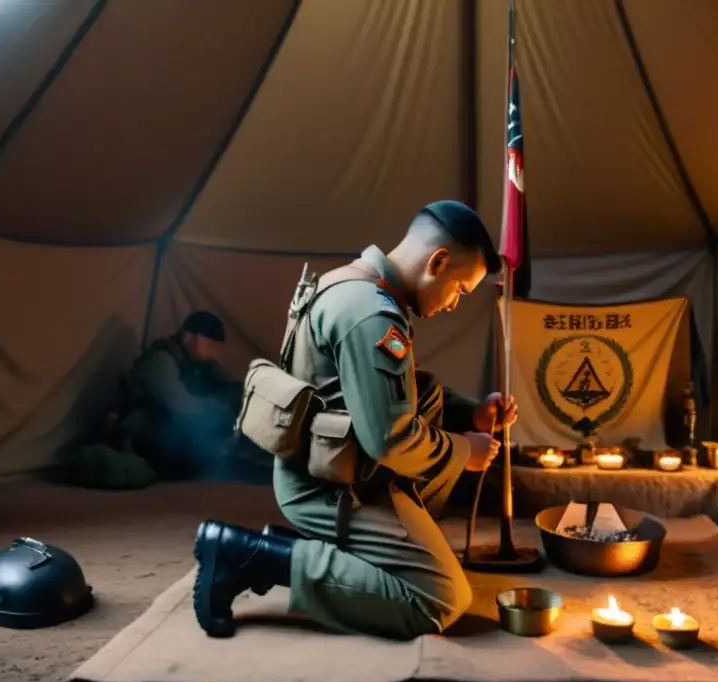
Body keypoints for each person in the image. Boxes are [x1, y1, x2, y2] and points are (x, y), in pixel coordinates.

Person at [192, 201, 517, 640]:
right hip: (329, 487)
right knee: (438, 600)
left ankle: (293, 548)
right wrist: (466, 451)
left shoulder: (353, 283)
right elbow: (390, 439)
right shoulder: (372, 312)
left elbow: (386, 388)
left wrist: (469, 412)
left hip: (333, 465)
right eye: (460, 289)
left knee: (433, 567)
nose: (455, 304)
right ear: (438, 262)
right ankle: (252, 556)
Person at [119, 311, 244, 480]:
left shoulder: (200, 363)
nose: (212, 352)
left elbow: (233, 388)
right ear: (187, 337)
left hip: (173, 431)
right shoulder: (160, 359)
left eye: (215, 347)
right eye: (208, 345)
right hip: (143, 433)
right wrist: (219, 410)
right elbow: (180, 404)